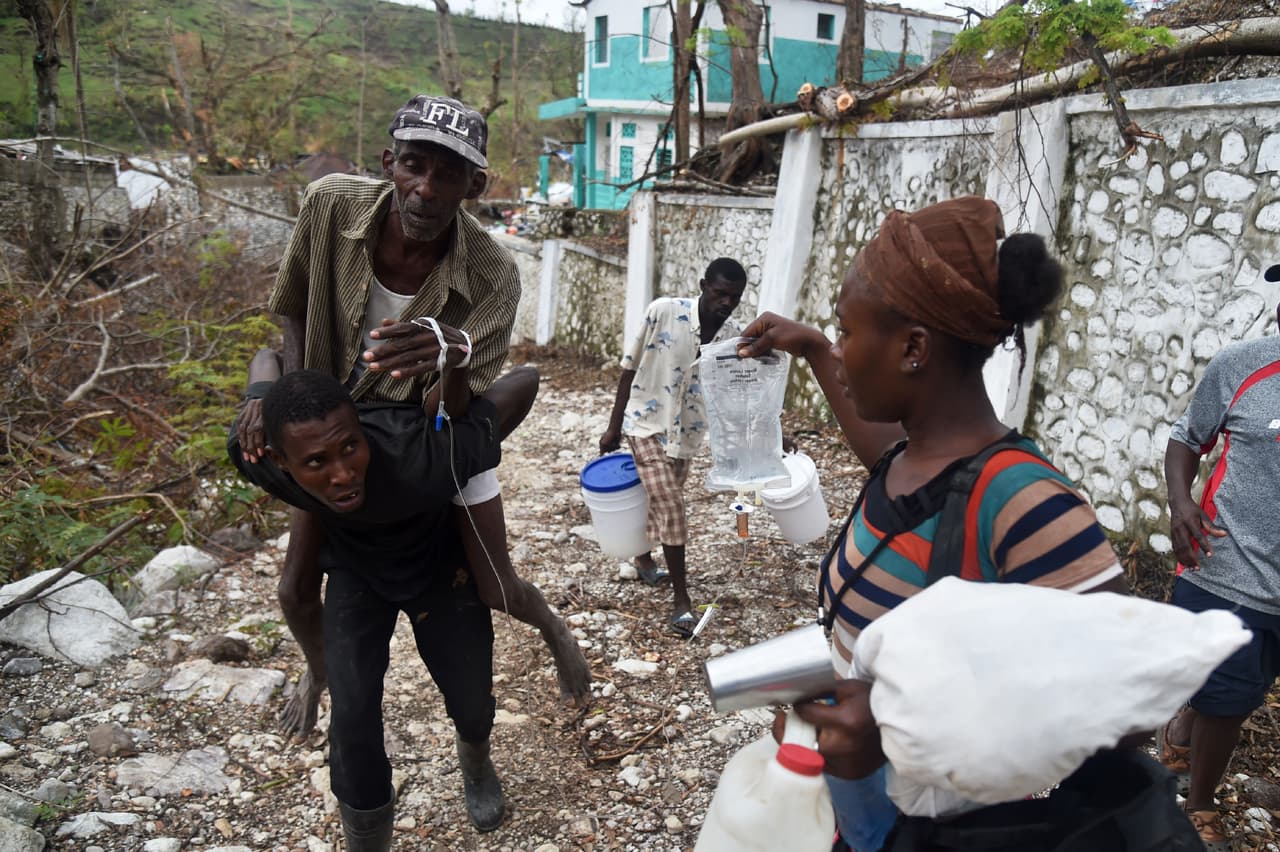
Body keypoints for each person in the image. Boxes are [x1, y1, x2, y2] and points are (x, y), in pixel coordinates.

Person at [738, 196, 1201, 850]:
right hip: (865, 811)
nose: (841, 353)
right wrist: (813, 349)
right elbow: (888, 462)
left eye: (845, 332)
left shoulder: (1023, 502)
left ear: (913, 349)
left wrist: (896, 725)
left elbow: (1123, 712)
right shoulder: (910, 463)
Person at [235, 94, 589, 739]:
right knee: (293, 590)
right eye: (413, 165)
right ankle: (318, 671)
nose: (425, 189)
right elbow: (292, 310)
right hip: (336, 435)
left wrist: (451, 355)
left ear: (475, 186)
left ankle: (554, 630)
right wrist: (282, 401)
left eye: (448, 174)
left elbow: (451, 413)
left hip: (431, 438)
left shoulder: (492, 274)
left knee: (495, 588)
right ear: (387, 163)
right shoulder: (329, 205)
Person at [230, 346, 534, 847]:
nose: (342, 474)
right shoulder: (256, 454)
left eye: (350, 447)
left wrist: (456, 359)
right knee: (351, 721)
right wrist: (258, 395)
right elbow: (267, 354)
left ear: (362, 432)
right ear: (281, 464)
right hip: (356, 572)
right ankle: (367, 836)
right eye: (316, 462)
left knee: (472, 699)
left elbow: (525, 379)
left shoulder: (422, 453)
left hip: (439, 565)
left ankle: (476, 762)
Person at [1157, 262, 1280, 849]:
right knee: (1228, 699)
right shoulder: (1243, 366)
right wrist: (1182, 504)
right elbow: (1187, 437)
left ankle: (1186, 722)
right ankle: (1200, 804)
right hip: (1226, 565)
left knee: (1242, 691)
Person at [599, 258, 748, 637]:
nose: (727, 303)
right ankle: (682, 602)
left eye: (735, 297)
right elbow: (629, 367)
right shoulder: (664, 311)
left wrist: (772, 435)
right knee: (671, 503)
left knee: (662, 500)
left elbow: (733, 391)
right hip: (645, 423)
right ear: (703, 285)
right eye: (720, 293)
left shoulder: (733, 337)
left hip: (687, 434)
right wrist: (613, 427)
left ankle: (643, 558)